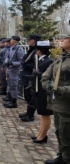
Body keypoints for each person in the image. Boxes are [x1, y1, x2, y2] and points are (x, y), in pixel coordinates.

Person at [42, 34, 70, 164]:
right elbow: (47, 73)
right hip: (57, 103)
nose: (61, 40)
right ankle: (62, 157)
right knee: (60, 132)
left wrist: (58, 89)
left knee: (67, 134)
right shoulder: (61, 58)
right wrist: (48, 85)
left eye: (65, 38)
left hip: (67, 104)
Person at [27, 41, 53, 143]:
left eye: (37, 49)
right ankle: (40, 133)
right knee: (42, 113)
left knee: (45, 114)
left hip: (44, 90)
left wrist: (39, 73)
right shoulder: (39, 60)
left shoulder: (48, 61)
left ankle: (43, 136)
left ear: (40, 50)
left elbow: (50, 77)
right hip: (38, 89)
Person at [19, 34, 41, 122]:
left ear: (34, 41)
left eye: (30, 39)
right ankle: (28, 112)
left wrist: (25, 64)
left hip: (31, 76)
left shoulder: (36, 51)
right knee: (27, 96)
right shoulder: (31, 50)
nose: (28, 41)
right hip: (26, 75)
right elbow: (24, 59)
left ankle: (30, 115)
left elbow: (35, 64)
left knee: (31, 96)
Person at [3, 36, 25, 108]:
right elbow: (7, 56)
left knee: (14, 86)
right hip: (9, 69)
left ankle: (14, 102)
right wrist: (6, 62)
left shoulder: (19, 49)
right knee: (10, 84)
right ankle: (10, 98)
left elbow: (21, 61)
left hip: (14, 70)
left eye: (12, 39)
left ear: (15, 41)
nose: (10, 41)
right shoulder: (11, 48)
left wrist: (12, 63)